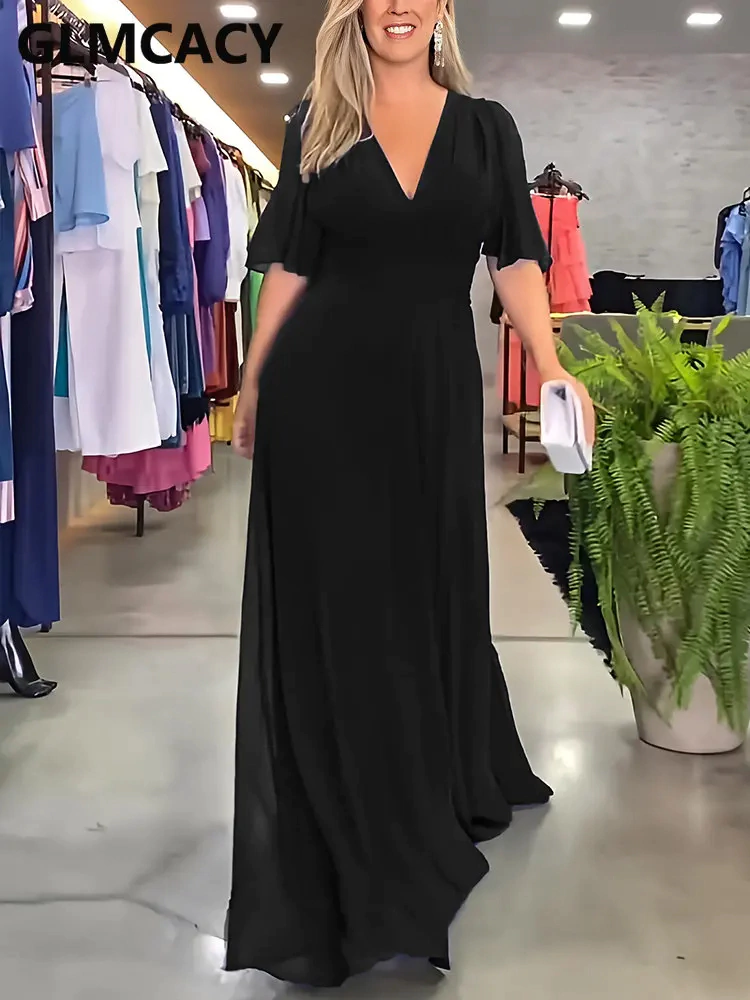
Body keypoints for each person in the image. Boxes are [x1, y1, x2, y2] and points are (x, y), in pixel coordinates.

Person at [226, 0, 596, 989]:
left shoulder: (486, 128)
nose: (397, 5)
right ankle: (357, 829)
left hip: (431, 390)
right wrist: (254, 378)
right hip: (320, 389)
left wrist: (551, 363)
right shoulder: (318, 121)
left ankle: (429, 773)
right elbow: (289, 263)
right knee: (341, 605)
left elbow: (514, 256)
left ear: (440, 9)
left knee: (422, 589)